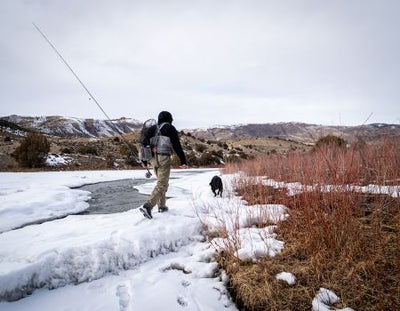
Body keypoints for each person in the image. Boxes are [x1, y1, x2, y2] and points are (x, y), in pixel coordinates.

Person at [139, 111, 187, 219]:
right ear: (169, 119)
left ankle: (162, 206)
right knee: (162, 184)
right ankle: (148, 206)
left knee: (161, 183)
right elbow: (177, 145)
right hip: (164, 158)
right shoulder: (170, 128)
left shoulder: (151, 129)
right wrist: (183, 161)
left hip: (153, 160)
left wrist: (144, 161)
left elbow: (144, 145)